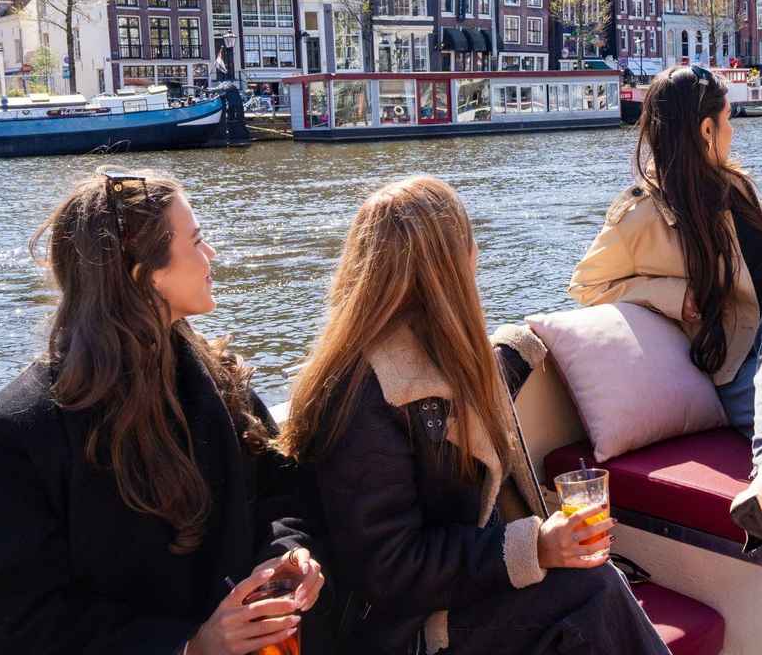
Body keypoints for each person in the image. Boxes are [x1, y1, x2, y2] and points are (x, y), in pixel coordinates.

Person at [279, 176, 670, 655]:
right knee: (591, 591)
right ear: (445, 267)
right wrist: (534, 548)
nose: (477, 254)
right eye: (469, 242)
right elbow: (389, 567)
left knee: (592, 588)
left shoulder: (428, 361)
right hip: (405, 632)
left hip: (447, 601)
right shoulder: (364, 393)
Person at [569, 65, 762, 655]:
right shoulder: (644, 213)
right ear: (708, 129)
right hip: (751, 368)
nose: (733, 134)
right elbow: (587, 285)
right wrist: (669, 295)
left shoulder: (734, 186)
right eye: (729, 122)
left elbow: (754, 266)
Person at [0, 169, 324, 655]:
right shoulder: (14, 435)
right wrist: (190, 647)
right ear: (143, 273)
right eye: (197, 241)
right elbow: (13, 629)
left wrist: (285, 557)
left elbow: (281, 494)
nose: (211, 256)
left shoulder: (220, 382)